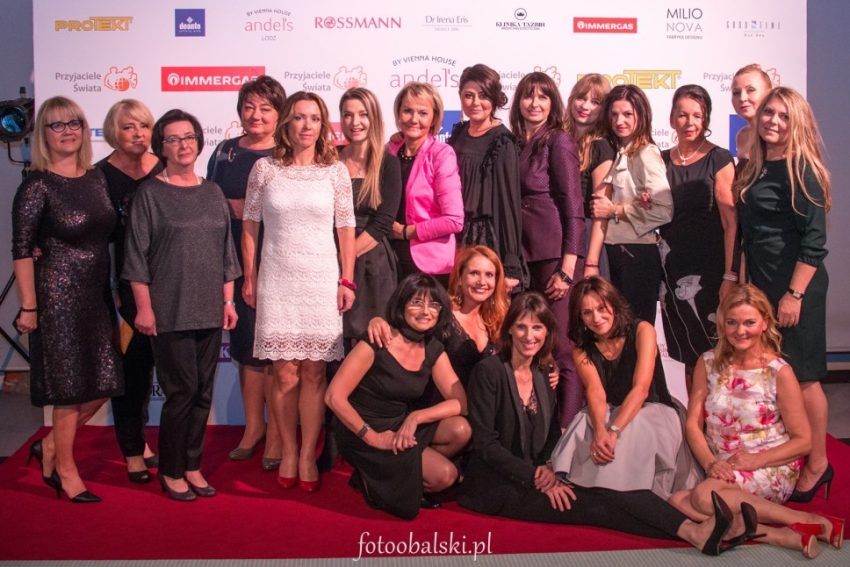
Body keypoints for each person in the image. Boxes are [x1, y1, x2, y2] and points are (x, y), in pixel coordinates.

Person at [458, 292, 751, 556]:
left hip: (539, 475)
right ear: (509, 329)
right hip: (498, 485)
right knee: (598, 507)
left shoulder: (543, 374)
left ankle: (699, 531)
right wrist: (535, 476)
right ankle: (694, 531)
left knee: (608, 492)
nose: (529, 336)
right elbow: (485, 444)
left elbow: (550, 434)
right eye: (521, 327)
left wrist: (549, 466)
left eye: (537, 328)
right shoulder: (489, 371)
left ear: (547, 332)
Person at [669, 284, 843, 558]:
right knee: (676, 500)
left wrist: (755, 460)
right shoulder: (707, 363)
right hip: (722, 467)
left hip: (770, 466)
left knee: (701, 498)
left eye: (749, 322)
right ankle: (781, 534)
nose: (740, 331)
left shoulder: (779, 372)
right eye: (732, 323)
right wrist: (711, 463)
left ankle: (801, 519)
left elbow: (804, 441)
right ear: (723, 324)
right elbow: (693, 424)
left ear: (765, 323)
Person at [123, 109, 241, 501]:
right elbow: (136, 259)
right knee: (182, 392)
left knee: (203, 392)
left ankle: (192, 465)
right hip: (168, 310)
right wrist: (144, 309)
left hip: (210, 308)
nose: (183, 145)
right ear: (162, 147)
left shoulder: (212, 192)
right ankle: (171, 471)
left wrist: (228, 301)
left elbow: (226, 254)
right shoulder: (149, 194)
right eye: (173, 139)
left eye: (188, 136)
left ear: (198, 141)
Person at [242, 91, 356, 493]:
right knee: (284, 372)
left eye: (315, 118)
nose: (307, 125)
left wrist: (346, 279)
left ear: (323, 125)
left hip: (321, 280)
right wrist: (250, 277)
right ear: (286, 123)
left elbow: (346, 228)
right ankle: (288, 451)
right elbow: (250, 224)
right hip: (277, 280)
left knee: (314, 371)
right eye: (300, 117)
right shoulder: (264, 169)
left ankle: (308, 454)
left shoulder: (335, 172)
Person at [14, 96, 123, 503]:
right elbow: (22, 250)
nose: (67, 131)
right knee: (70, 389)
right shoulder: (36, 185)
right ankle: (66, 470)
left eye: (74, 123)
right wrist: (29, 306)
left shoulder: (96, 178)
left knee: (106, 382)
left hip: (96, 295)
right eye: (56, 125)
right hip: (57, 297)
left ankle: (50, 447)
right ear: (43, 134)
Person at [736, 87, 832, 503]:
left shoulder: (803, 169)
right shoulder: (756, 166)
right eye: (768, 113)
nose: (773, 121)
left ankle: (819, 463)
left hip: (796, 288)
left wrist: (794, 294)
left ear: (797, 123)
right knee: (779, 375)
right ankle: (790, 456)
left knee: (804, 377)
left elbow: (814, 242)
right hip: (763, 287)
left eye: (784, 116)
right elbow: (749, 235)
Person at [326, 274, 468, 519]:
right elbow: (333, 397)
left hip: (400, 423)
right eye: (417, 303)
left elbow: (460, 404)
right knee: (446, 476)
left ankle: (391, 476)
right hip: (362, 427)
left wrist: (416, 417)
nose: (426, 311)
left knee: (460, 430)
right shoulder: (378, 340)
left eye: (434, 304)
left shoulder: (433, 348)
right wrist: (373, 437)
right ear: (401, 305)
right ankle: (377, 479)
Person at [550, 276, 699, 500]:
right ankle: (585, 492)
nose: (596, 318)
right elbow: (595, 393)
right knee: (584, 421)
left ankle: (624, 496)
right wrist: (600, 431)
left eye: (601, 308)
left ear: (613, 304)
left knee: (635, 426)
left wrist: (613, 431)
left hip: (654, 410)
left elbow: (641, 389)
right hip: (610, 410)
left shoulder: (642, 330)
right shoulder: (581, 350)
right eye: (587, 312)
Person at [206, 75, 286, 468]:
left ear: (279, 114)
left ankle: (277, 435)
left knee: (274, 351)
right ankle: (253, 428)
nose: (256, 115)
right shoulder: (224, 151)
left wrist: (250, 209)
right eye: (249, 107)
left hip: (280, 261)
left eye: (265, 108)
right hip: (235, 263)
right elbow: (207, 199)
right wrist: (229, 207)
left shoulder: (288, 153)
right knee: (246, 349)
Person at [509, 71, 584, 426]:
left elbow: (574, 208)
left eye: (543, 96)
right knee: (533, 346)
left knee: (562, 347)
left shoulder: (559, 141)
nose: (534, 103)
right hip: (524, 258)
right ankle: (540, 430)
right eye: (528, 95)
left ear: (553, 103)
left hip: (555, 257)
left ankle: (567, 432)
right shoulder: (515, 143)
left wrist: (567, 269)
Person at [99, 99, 163, 484]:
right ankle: (132, 450)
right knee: (133, 373)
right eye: (128, 127)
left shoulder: (164, 166)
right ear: (113, 132)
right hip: (124, 289)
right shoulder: (100, 177)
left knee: (163, 369)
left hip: (169, 285)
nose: (138, 134)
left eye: (144, 126)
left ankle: (144, 440)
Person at [659, 85, 736, 389]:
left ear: (706, 119)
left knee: (718, 353)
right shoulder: (660, 160)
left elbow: (731, 223)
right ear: (672, 118)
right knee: (690, 355)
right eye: (682, 115)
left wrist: (730, 275)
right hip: (672, 270)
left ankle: (722, 417)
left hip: (711, 271)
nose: (689, 122)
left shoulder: (719, 158)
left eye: (697, 115)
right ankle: (696, 418)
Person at [592, 84, 673, 325]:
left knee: (637, 331)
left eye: (627, 114)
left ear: (642, 114)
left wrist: (614, 210)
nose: (620, 121)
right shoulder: (620, 150)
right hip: (615, 253)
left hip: (636, 255)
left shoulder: (646, 153)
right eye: (614, 114)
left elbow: (664, 210)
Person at [448, 64, 524, 292]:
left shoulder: (502, 141)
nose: (475, 103)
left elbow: (509, 205)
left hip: (487, 239)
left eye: (483, 96)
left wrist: (511, 264)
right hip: (455, 234)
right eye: (468, 95)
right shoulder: (458, 133)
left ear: (494, 99)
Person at [337, 87, 402, 346]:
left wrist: (344, 258)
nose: (355, 122)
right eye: (348, 115)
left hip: (373, 262)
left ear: (373, 117)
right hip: (332, 256)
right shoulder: (330, 159)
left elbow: (383, 223)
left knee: (373, 344)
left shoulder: (388, 163)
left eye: (363, 114)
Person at [386, 82, 463, 287]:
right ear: (398, 114)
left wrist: (407, 232)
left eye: (422, 113)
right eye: (407, 111)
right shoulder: (389, 151)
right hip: (388, 260)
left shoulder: (441, 155)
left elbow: (454, 220)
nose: (414, 119)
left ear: (434, 118)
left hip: (429, 266)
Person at [564, 73, 614, 280]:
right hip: (558, 234)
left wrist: (592, 263)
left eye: (595, 102)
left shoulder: (602, 147)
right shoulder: (558, 139)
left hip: (585, 240)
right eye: (581, 98)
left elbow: (600, 212)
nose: (585, 106)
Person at [730, 64, 773, 162]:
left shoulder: (782, 134)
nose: (742, 98)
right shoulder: (742, 136)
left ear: (769, 93)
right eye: (736, 93)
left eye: (751, 90)